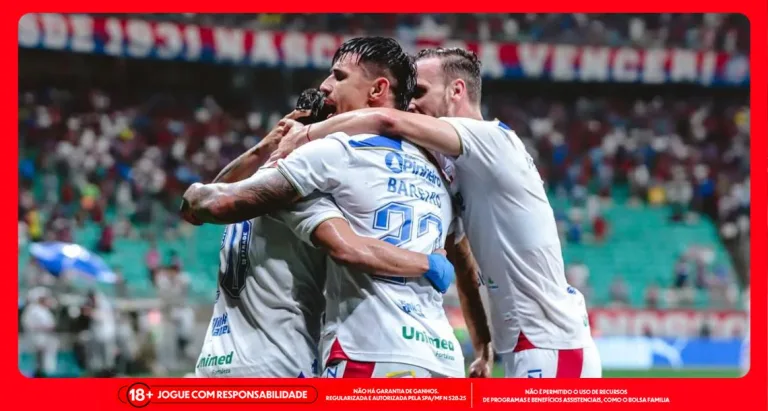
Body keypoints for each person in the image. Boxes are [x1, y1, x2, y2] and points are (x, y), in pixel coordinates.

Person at [273, 47, 601, 378]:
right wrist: (484, 346)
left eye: (419, 92)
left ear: (457, 90)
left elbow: (387, 119)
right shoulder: (462, 171)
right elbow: (463, 262)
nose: (411, 103)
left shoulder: (492, 139)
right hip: (528, 344)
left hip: (551, 343)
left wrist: (309, 134)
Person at [182, 37, 491, 378]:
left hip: (354, 355)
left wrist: (291, 145)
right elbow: (465, 267)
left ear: (378, 89)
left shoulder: (331, 155)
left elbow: (213, 204)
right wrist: (483, 346)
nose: (325, 86)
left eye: (338, 77)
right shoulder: (441, 174)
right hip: (440, 357)